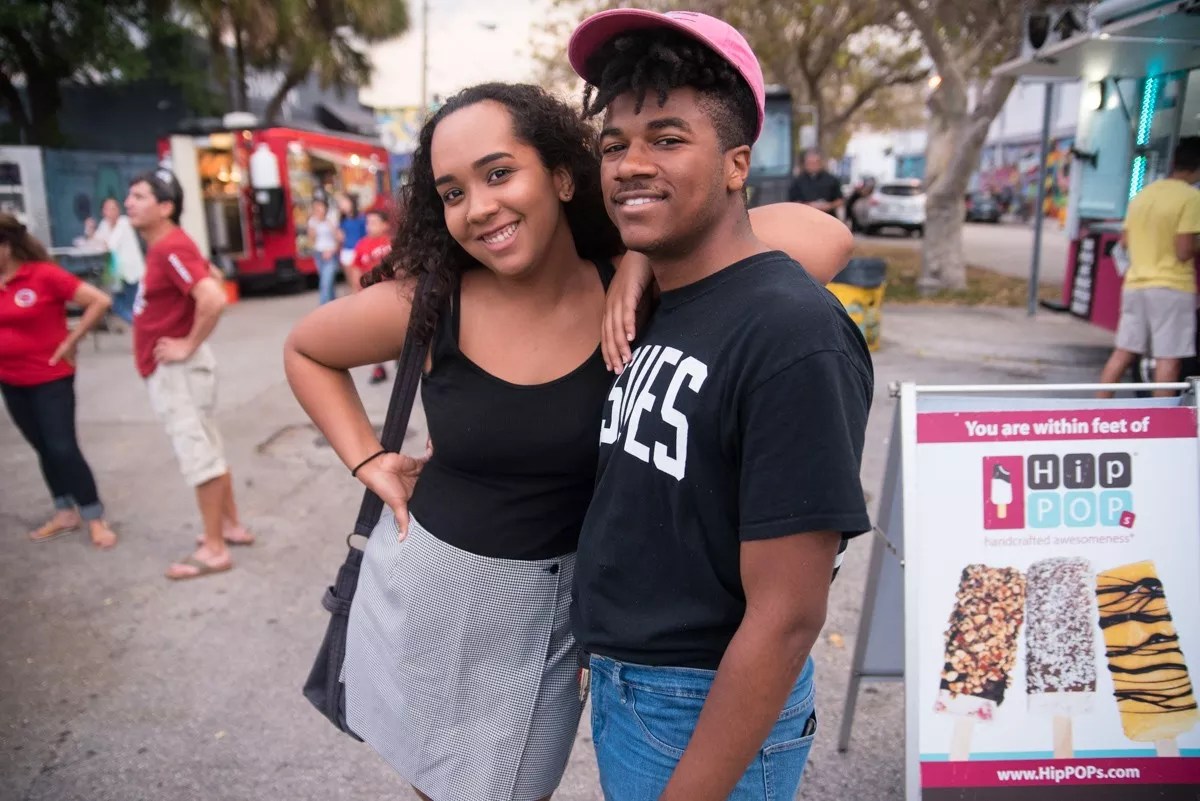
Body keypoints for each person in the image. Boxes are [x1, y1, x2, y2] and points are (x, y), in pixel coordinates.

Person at [284, 80, 853, 801]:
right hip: (437, 596)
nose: (478, 207)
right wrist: (368, 458)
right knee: (450, 785)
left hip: (559, 614)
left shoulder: (632, 282)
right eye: (452, 193)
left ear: (560, 175)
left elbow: (827, 240)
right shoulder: (433, 300)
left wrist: (639, 259)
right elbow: (306, 350)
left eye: (498, 173)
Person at [568, 9, 873, 800]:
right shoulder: (666, 296)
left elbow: (787, 615)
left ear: (738, 164)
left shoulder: (791, 332)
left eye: (667, 139)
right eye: (614, 145)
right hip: (634, 689)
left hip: (704, 707)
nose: (630, 165)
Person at [124, 169, 253, 580]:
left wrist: (187, 343)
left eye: (140, 196)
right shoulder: (171, 245)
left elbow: (213, 297)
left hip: (178, 371)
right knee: (208, 446)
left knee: (200, 455)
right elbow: (211, 277)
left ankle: (214, 549)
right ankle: (229, 527)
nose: (129, 202)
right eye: (130, 195)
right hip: (179, 369)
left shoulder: (169, 247)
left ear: (165, 207)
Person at [0, 214, 119, 549]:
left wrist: (71, 340)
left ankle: (94, 516)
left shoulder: (43, 275)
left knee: (62, 446)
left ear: (6, 245)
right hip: (10, 379)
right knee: (42, 446)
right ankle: (64, 510)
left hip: (50, 378)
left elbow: (99, 301)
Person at [1098, 136, 1200, 398]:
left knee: (1123, 353)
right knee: (1168, 358)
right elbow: (1184, 250)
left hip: (1135, 285)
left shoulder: (1143, 195)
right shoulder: (1191, 198)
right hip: (1171, 287)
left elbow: (1125, 242)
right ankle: (1161, 418)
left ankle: (1096, 409)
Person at [348, 206, 395, 385]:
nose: (370, 226)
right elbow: (355, 268)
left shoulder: (392, 243)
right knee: (375, 333)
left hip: (391, 294)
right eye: (368, 222)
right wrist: (356, 290)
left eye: (374, 222)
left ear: (385, 225)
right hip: (370, 295)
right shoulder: (362, 245)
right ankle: (378, 367)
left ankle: (400, 355)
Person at [90, 197, 146, 325]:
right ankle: (139, 326)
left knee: (129, 306)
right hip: (117, 273)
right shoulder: (104, 224)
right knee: (118, 305)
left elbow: (111, 245)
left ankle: (140, 326)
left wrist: (101, 242)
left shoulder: (124, 223)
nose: (110, 212)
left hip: (131, 272)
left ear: (118, 210)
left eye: (113, 208)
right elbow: (96, 241)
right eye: (107, 209)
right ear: (103, 211)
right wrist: (90, 230)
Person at [789, 149, 845, 217]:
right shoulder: (797, 181)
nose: (813, 165)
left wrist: (829, 205)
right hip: (805, 217)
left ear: (820, 163)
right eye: (810, 163)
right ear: (805, 164)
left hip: (828, 217)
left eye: (815, 162)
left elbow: (840, 200)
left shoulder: (832, 179)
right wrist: (809, 205)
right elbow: (792, 202)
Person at [308, 198, 340, 305]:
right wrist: (315, 223)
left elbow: (338, 238)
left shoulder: (331, 219)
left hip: (330, 253)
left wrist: (331, 251)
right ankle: (334, 305)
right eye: (315, 207)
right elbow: (312, 238)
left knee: (325, 283)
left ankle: (323, 307)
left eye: (320, 206)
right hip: (319, 253)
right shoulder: (312, 221)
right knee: (328, 282)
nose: (318, 209)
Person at [335, 192, 367, 279]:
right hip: (346, 252)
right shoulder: (342, 220)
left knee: (359, 280)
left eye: (344, 202)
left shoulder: (361, 218)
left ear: (351, 202)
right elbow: (341, 238)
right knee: (350, 281)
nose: (342, 204)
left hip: (358, 252)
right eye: (341, 203)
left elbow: (366, 236)